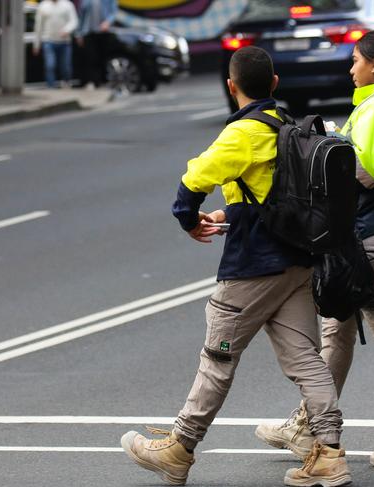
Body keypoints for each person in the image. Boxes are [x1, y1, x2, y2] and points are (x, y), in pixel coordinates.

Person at [119, 46, 352, 487]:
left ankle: (179, 447)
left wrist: (189, 220)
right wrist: (229, 214)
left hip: (252, 267)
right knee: (307, 359)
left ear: (231, 86)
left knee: (217, 358)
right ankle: (330, 453)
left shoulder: (243, 132)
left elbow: (194, 180)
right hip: (298, 261)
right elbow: (273, 195)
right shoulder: (288, 127)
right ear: (276, 84)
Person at [256, 30, 374, 468]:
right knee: (337, 330)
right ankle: (309, 425)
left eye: (355, 60)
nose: (350, 68)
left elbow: (357, 173)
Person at [33, 0, 78, 88]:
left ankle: (66, 83)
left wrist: (67, 30)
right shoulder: (43, 6)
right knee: (50, 65)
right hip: (48, 41)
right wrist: (36, 44)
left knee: (66, 67)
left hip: (64, 42)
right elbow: (38, 26)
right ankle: (51, 87)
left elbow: (74, 21)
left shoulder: (67, 5)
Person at [75, 0, 117, 88]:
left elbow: (114, 12)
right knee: (91, 58)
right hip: (89, 32)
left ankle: (103, 81)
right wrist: (79, 34)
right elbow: (81, 16)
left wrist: (108, 22)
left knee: (103, 57)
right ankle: (93, 82)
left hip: (104, 32)